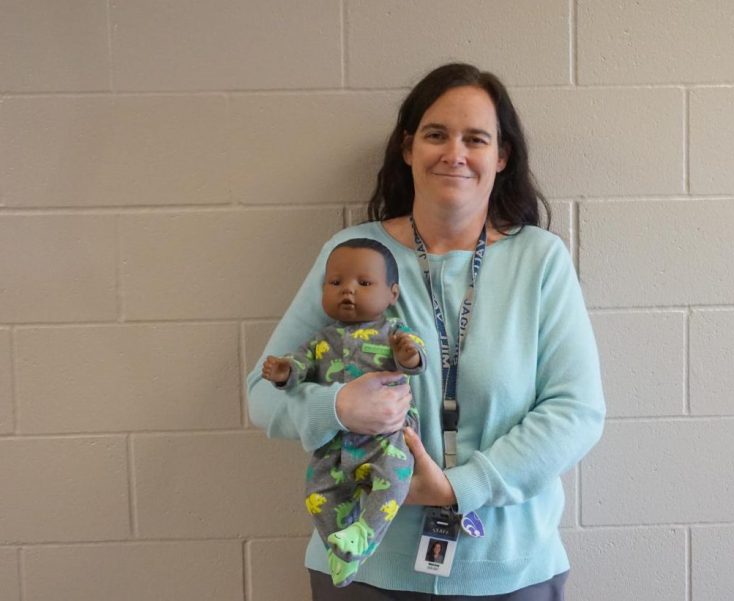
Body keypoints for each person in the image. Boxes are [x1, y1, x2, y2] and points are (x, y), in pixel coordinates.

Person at [248, 62, 606, 600]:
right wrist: (338, 407)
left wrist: (460, 487)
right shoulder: (351, 255)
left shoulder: (540, 260)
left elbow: (576, 412)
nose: (454, 153)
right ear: (408, 147)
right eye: (436, 134)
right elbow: (263, 395)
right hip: (361, 570)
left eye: (476, 138)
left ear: (501, 156)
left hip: (508, 574)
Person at [260, 238, 427, 587]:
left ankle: (363, 533)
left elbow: (414, 362)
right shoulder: (322, 339)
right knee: (317, 493)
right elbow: (300, 365)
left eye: (363, 284)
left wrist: (407, 353)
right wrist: (283, 372)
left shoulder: (393, 333)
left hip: (387, 441)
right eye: (336, 283)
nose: (348, 291)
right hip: (335, 444)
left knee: (394, 481)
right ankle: (340, 548)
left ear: (392, 294)